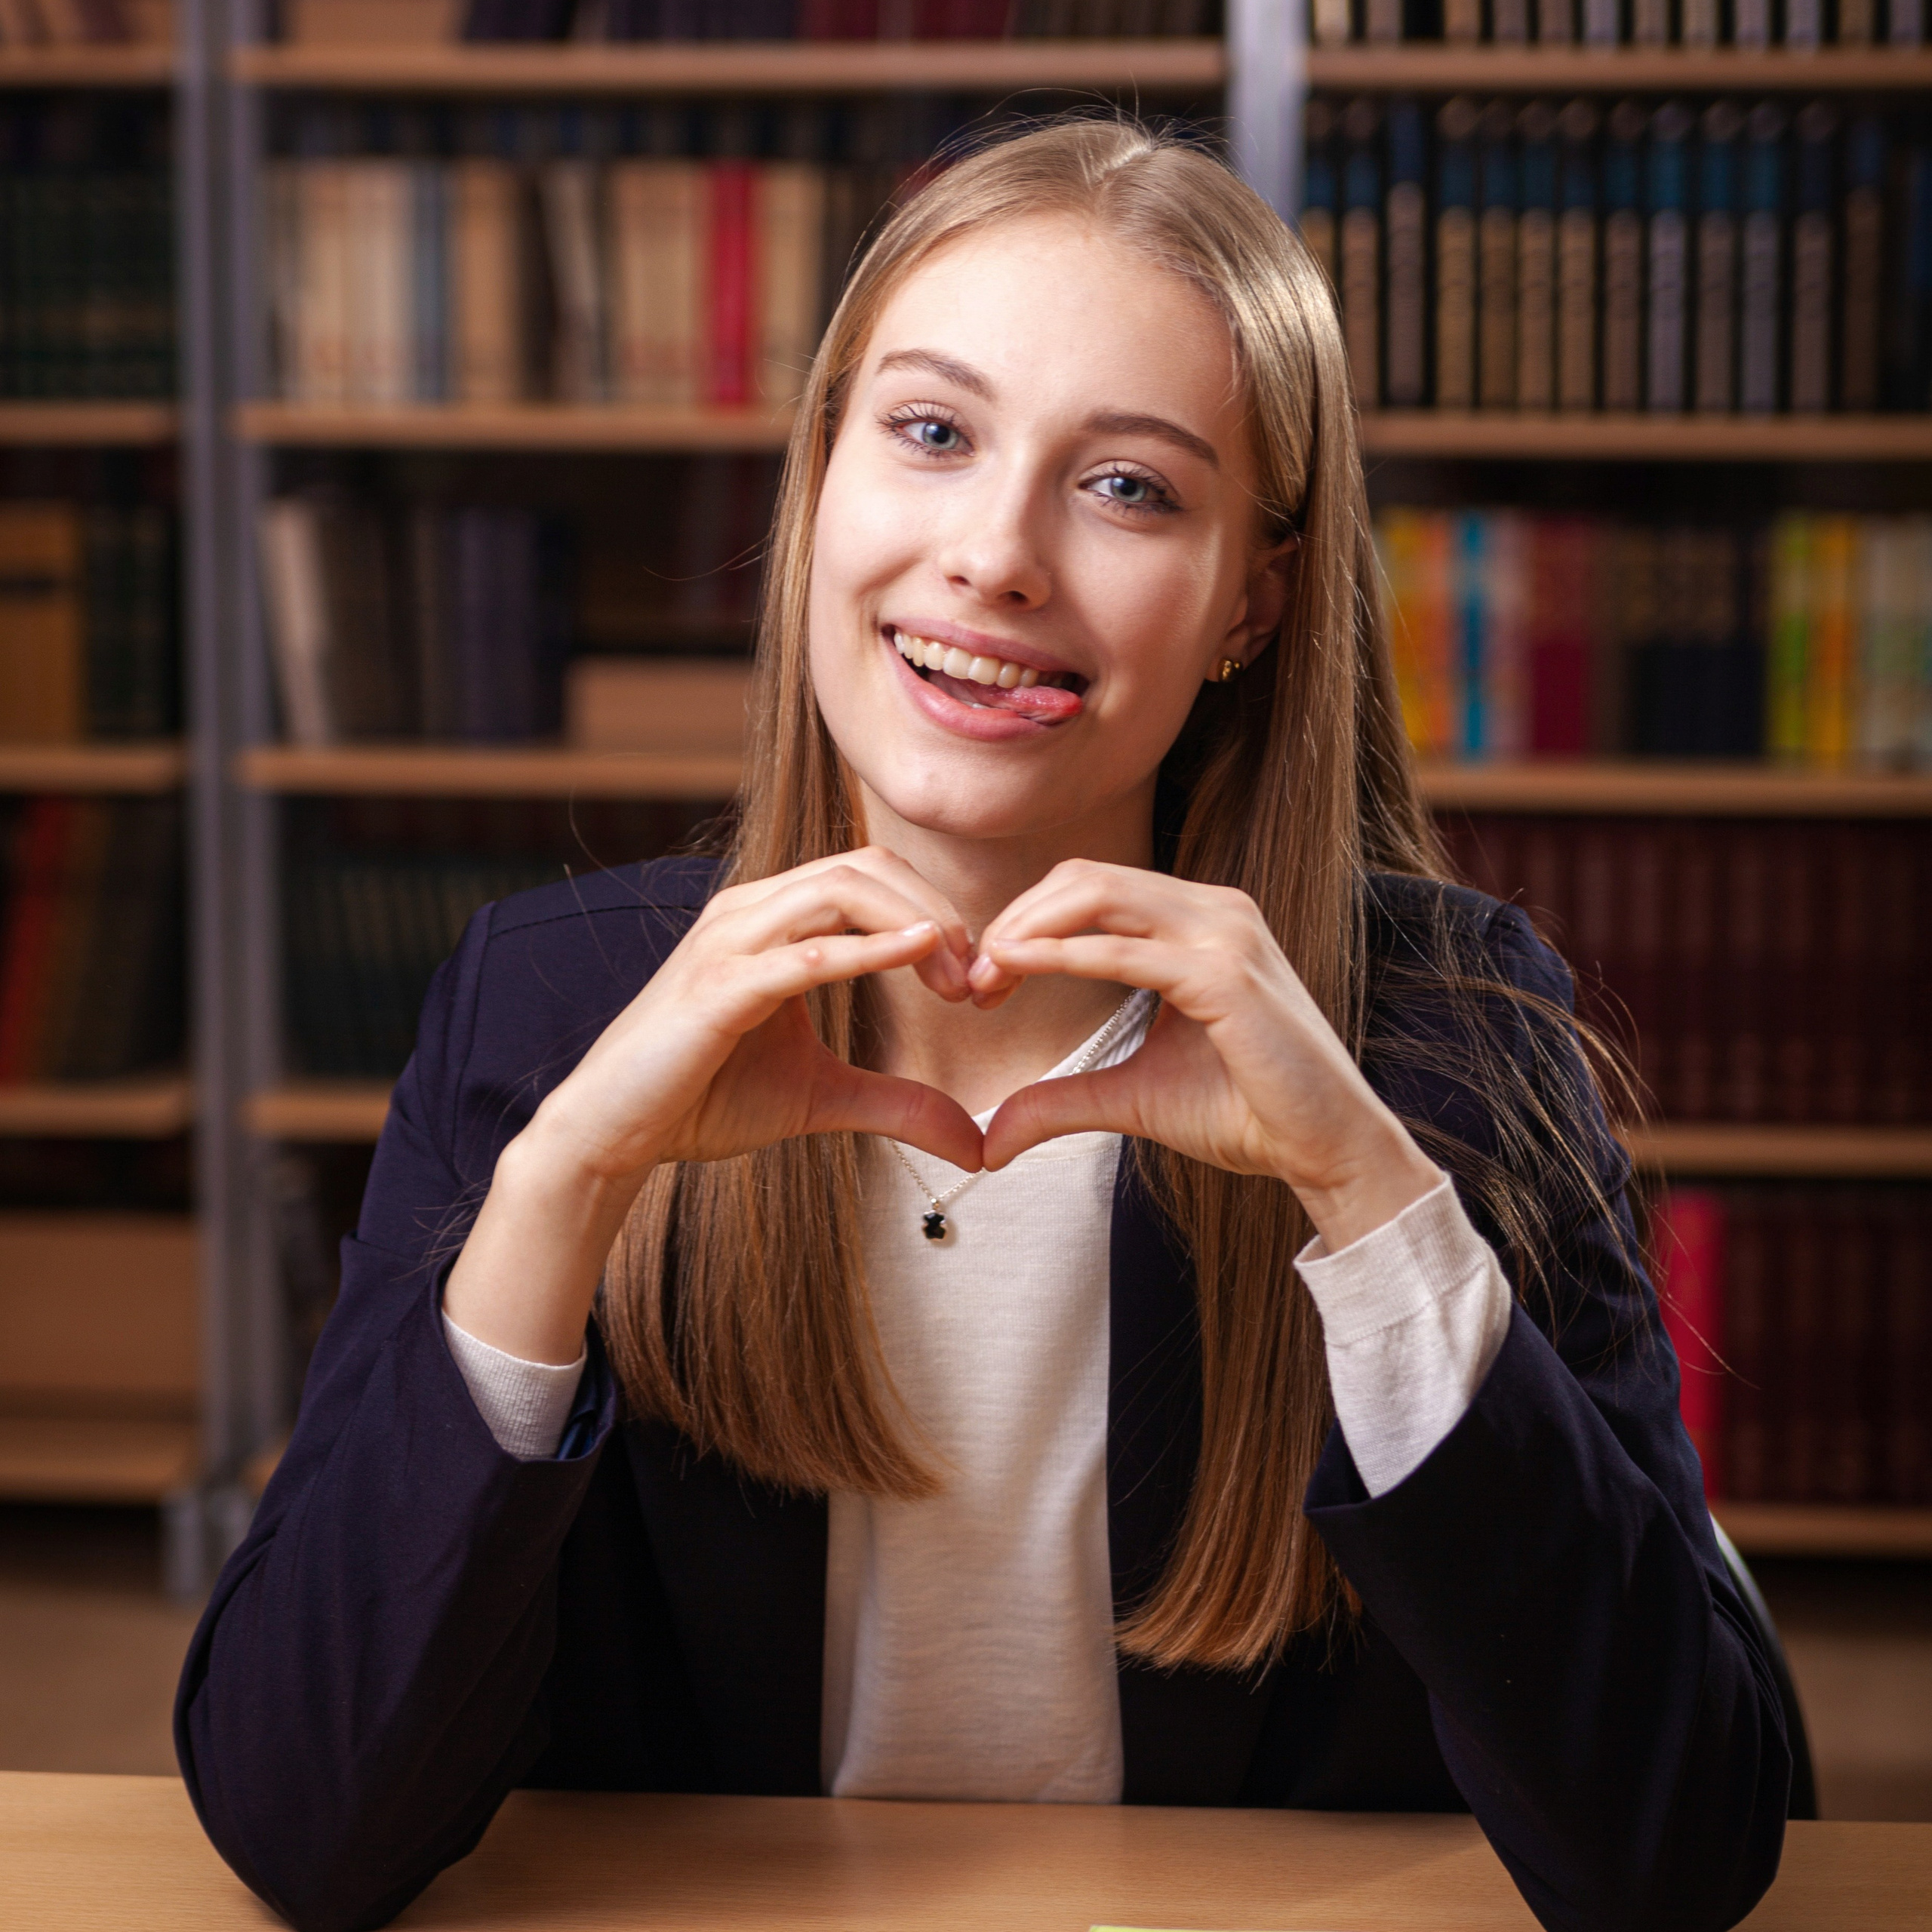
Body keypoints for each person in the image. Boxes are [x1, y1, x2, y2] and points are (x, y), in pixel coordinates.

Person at [176, 118, 1789, 1932]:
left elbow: (1673, 1854)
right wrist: (565, 1186)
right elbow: (302, 1824)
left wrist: (1367, 1194)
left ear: (1247, 606)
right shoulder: (544, 1008)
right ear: (820, 486)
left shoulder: (1440, 1043)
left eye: (1128, 489)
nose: (995, 557)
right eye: (929, 434)